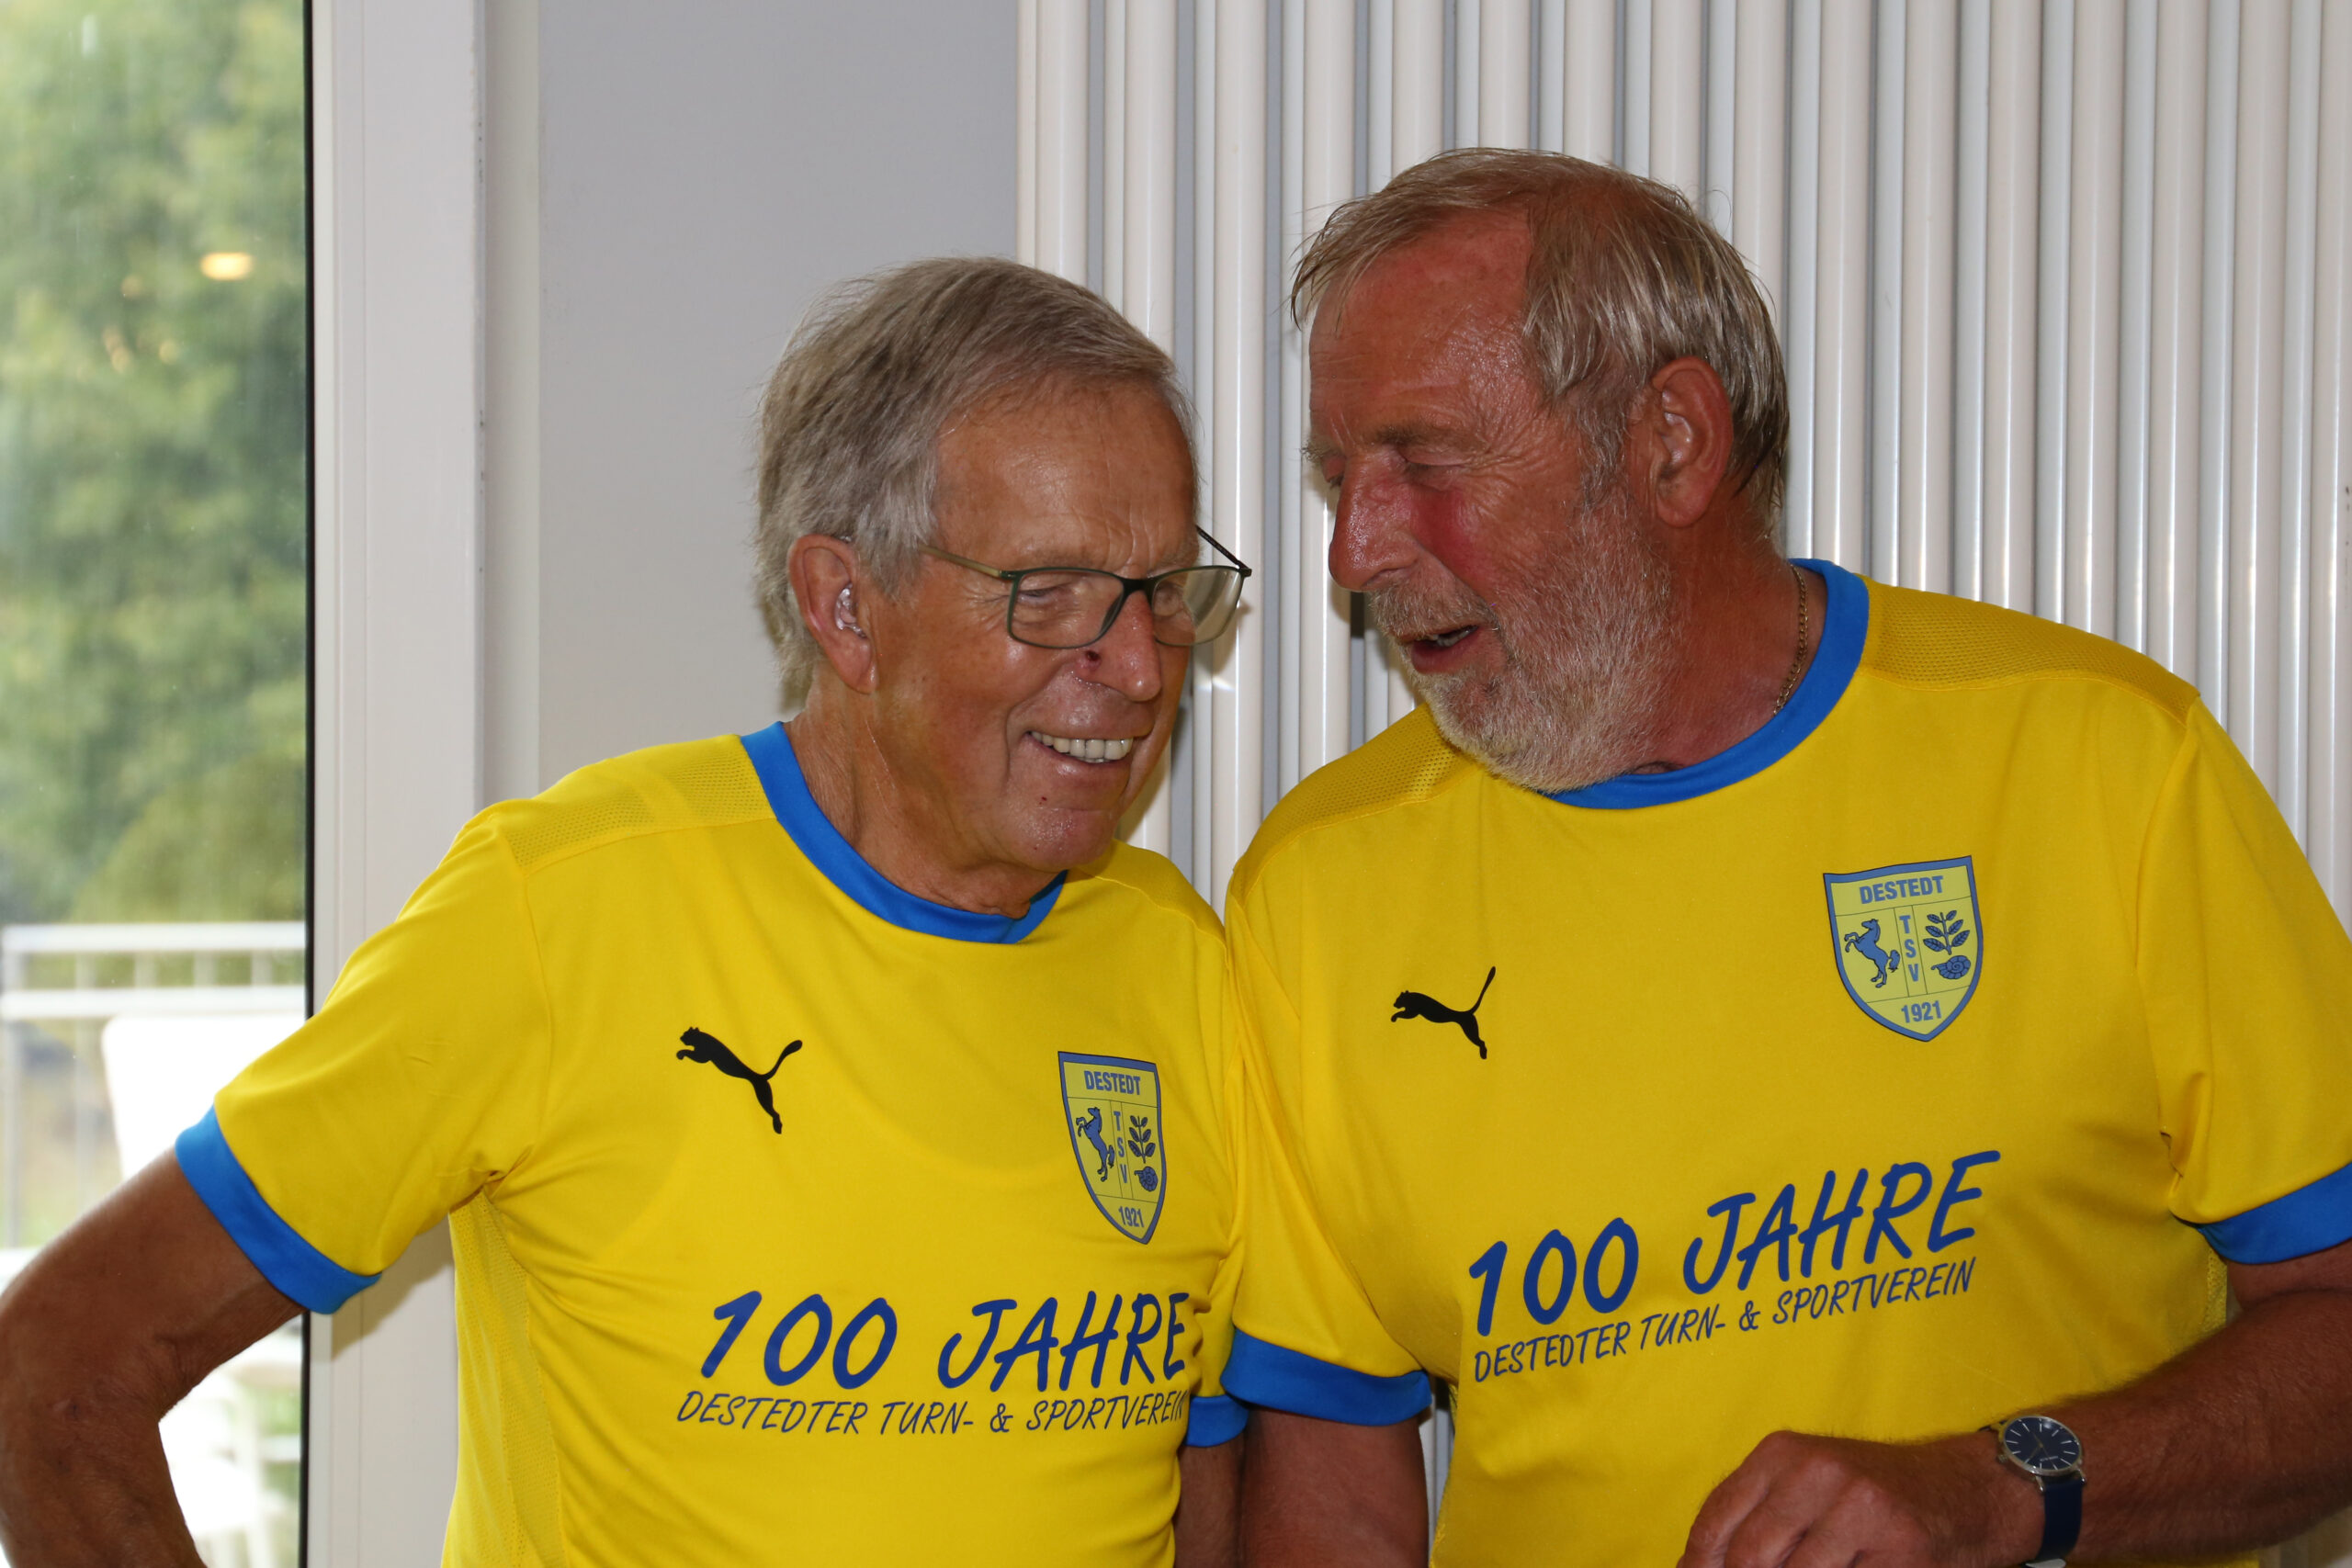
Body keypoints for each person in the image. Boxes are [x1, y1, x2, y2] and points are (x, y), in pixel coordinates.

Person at [0, 257, 1254, 1566]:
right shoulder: (559, 913)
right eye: (1049, 596)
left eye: (1166, 591)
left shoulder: (1180, 961)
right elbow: (59, 1369)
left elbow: (1208, 1477)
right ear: (845, 607)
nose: (1137, 667)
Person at [1221, 149, 2352, 1568]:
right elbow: (1333, 1487)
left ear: (1673, 442)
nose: (1353, 552)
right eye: (1340, 477)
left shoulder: (2103, 761)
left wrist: (2007, 1487)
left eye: (1426, 464)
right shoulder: (1319, 891)